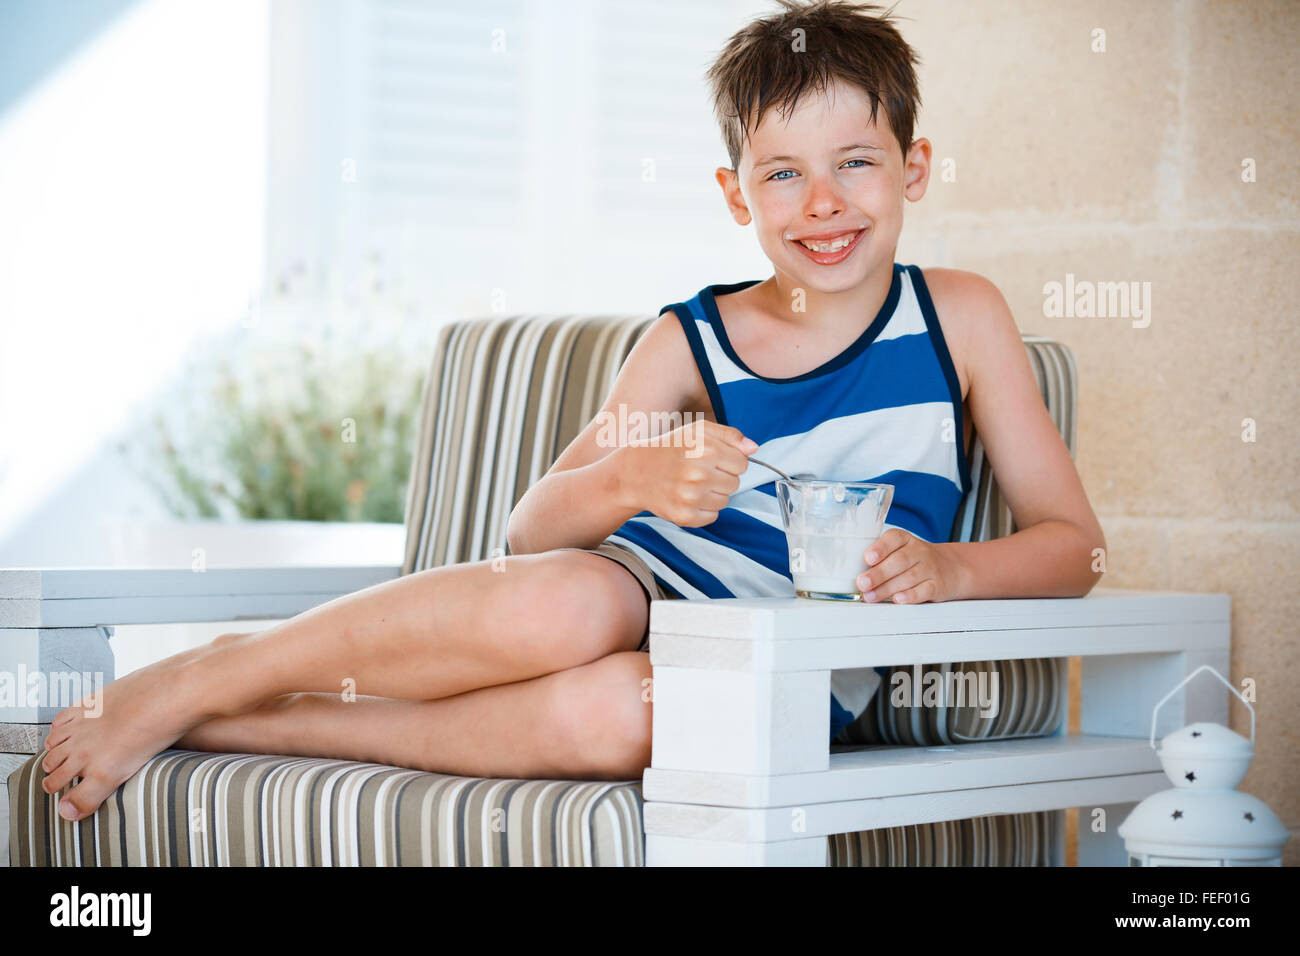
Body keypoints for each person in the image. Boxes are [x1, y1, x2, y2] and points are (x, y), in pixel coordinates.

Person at [40, 0, 1105, 823]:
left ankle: (246, 717)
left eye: (854, 163)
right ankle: (220, 667)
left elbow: (1074, 546)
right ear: (737, 196)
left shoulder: (957, 315)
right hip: (644, 584)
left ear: (912, 169)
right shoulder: (690, 339)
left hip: (788, 666)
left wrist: (952, 570)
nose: (821, 202)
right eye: (782, 173)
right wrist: (635, 478)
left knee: (618, 715)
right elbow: (530, 526)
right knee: (566, 607)